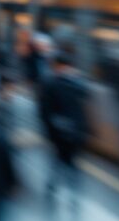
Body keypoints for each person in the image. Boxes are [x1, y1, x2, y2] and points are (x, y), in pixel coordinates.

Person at [37, 53, 92, 207]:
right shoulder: (74, 82)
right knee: (69, 163)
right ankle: (71, 193)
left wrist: (49, 130)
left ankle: (53, 188)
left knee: (59, 161)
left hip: (60, 132)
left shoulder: (50, 82)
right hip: (72, 131)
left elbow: (44, 110)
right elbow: (85, 97)